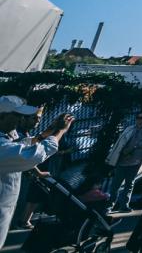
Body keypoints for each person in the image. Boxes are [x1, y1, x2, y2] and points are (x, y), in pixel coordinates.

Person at [0, 97, 71, 249]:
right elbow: (33, 154)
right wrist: (59, 132)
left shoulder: (5, 139)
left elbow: (20, 146)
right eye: (17, 115)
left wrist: (49, 131)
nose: (21, 119)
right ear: (3, 116)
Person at [105, 111, 142, 213]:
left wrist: (133, 147)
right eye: (137, 118)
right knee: (116, 184)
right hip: (122, 160)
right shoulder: (129, 128)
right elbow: (120, 143)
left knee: (129, 184)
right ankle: (110, 204)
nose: (139, 120)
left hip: (136, 161)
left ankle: (124, 205)